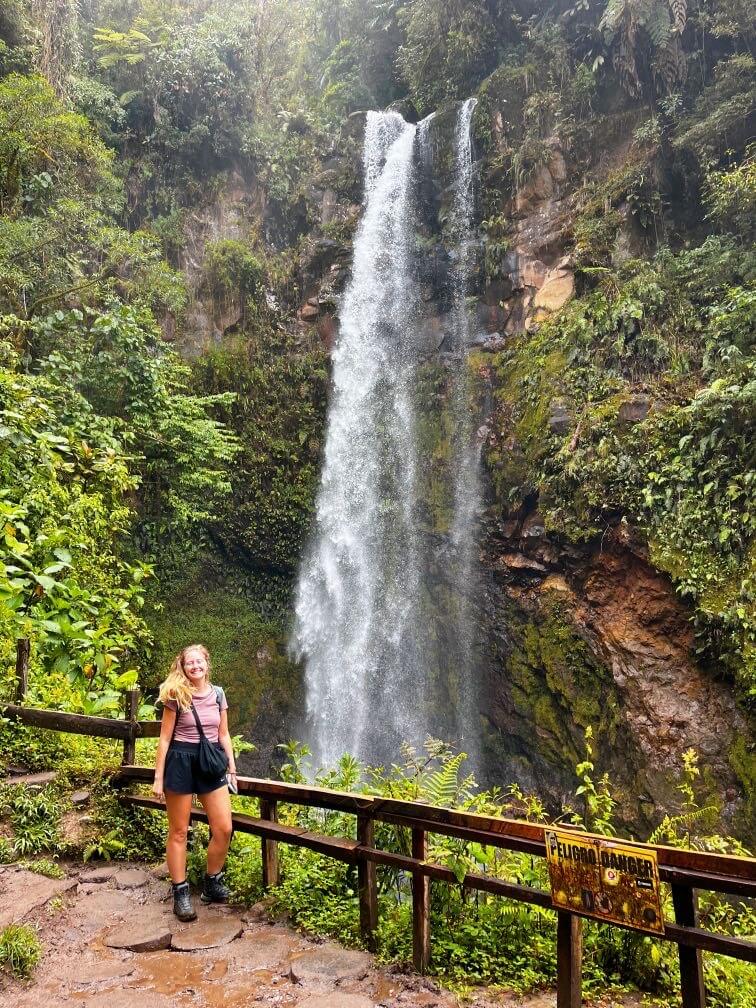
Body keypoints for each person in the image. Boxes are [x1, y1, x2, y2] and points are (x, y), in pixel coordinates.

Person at [153, 644, 237, 921]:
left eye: (199, 661)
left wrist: (232, 769)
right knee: (179, 831)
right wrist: (158, 778)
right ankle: (180, 892)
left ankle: (212, 881)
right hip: (180, 760)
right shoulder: (176, 695)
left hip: (210, 760)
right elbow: (164, 739)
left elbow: (223, 734)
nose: (195, 666)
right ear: (183, 667)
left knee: (224, 828)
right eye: (189, 662)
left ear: (207, 664)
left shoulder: (219, 695)